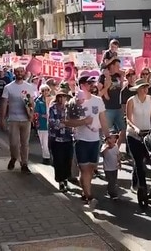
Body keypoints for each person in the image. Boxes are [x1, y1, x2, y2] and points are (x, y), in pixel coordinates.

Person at [68, 76, 108, 209]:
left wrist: (108, 137)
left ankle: (85, 191)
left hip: (95, 140)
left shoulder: (98, 100)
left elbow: (103, 120)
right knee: (84, 169)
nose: (93, 85)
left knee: (90, 169)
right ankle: (89, 196)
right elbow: (68, 122)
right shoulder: (74, 102)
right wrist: (84, 122)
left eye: (93, 82)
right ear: (82, 85)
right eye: (89, 83)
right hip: (81, 140)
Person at [125, 78, 151, 207]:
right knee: (139, 162)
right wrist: (136, 128)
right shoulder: (131, 101)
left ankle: (137, 182)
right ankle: (142, 187)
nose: (145, 89)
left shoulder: (150, 99)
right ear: (137, 89)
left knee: (146, 160)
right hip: (134, 135)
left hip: (147, 134)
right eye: (142, 87)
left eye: (146, 87)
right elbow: (128, 119)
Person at [0, 67, 37, 173]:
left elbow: (31, 102)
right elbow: (4, 104)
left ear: (24, 73)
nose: (19, 73)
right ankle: (14, 157)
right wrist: (2, 119)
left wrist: (31, 114)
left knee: (25, 143)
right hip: (13, 120)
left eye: (21, 71)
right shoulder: (8, 87)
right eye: (17, 72)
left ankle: (24, 163)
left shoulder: (29, 87)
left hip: (26, 120)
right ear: (14, 73)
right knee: (14, 143)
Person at [48, 87, 74, 192]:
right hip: (56, 138)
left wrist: (68, 125)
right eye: (61, 96)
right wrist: (64, 124)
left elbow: (73, 120)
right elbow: (52, 122)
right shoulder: (53, 108)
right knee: (58, 160)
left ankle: (66, 178)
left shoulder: (69, 108)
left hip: (68, 138)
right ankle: (61, 181)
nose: (63, 99)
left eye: (65, 97)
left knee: (68, 160)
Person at [101, 128, 121, 199]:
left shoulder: (116, 146)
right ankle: (112, 193)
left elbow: (118, 155)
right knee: (111, 180)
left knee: (114, 180)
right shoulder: (104, 146)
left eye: (114, 138)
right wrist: (107, 147)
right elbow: (103, 154)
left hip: (114, 167)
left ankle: (109, 190)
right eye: (111, 138)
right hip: (107, 168)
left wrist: (119, 163)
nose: (113, 140)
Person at [35, 85, 51, 165]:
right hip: (42, 123)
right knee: (44, 142)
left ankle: (50, 155)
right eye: (43, 90)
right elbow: (36, 112)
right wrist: (42, 115)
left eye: (47, 90)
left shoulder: (52, 99)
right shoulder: (38, 101)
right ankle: (46, 157)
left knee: (50, 142)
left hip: (51, 124)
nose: (45, 92)